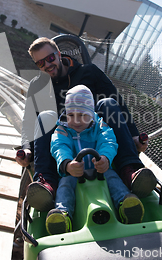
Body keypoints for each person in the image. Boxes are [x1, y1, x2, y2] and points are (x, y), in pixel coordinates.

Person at [16, 37, 156, 211]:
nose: (47, 65)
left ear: (59, 54)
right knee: (45, 116)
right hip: (62, 145)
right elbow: (29, 120)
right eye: (40, 63)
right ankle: (47, 184)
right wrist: (27, 148)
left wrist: (134, 135)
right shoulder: (37, 85)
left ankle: (130, 170)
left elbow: (117, 101)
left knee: (108, 103)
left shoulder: (89, 72)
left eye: (50, 58)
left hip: (95, 138)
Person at [45, 85, 144, 235]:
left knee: (113, 178)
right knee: (65, 185)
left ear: (91, 114)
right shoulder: (62, 129)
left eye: (82, 115)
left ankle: (125, 203)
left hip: (100, 169)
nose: (76, 121)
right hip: (74, 172)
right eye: (71, 115)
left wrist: (105, 158)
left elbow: (108, 141)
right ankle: (62, 214)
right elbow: (59, 146)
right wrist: (67, 164)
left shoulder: (100, 125)